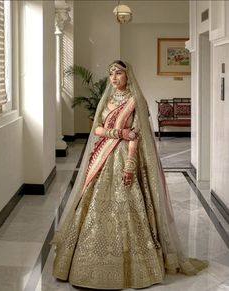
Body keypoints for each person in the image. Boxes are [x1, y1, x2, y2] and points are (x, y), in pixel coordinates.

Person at [52, 60, 208, 289]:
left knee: (126, 204)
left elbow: (135, 135)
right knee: (94, 205)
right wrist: (117, 132)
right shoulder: (106, 100)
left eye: (118, 73)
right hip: (103, 155)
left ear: (128, 75)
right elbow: (96, 128)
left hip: (124, 156)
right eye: (111, 74)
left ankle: (134, 266)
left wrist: (130, 164)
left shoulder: (136, 101)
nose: (114, 78)